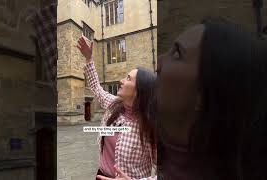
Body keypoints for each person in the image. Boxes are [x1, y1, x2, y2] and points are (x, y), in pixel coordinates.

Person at [97, 17, 267, 180]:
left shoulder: (149, 126)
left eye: (177, 54)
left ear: (202, 94)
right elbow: (99, 94)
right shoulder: (117, 107)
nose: (159, 63)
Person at [76, 35, 157, 179]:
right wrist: (89, 58)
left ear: (139, 90)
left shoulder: (151, 126)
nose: (121, 81)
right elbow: (97, 89)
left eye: (128, 78)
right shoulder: (115, 105)